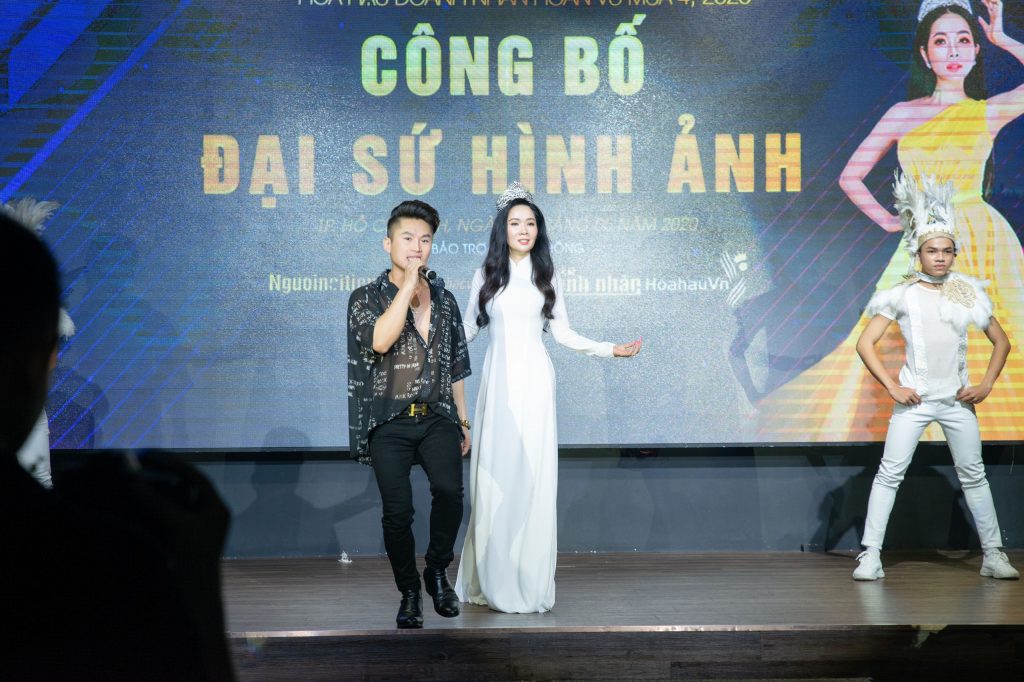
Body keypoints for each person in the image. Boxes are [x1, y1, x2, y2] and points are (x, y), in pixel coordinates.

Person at [757, 0, 1024, 442]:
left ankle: (982, 436)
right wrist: (888, 222)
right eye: (941, 41)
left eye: (963, 40)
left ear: (976, 51)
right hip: (923, 242)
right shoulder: (903, 113)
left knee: (993, 332)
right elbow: (851, 176)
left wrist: (1003, 38)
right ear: (925, 54)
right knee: (899, 338)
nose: (953, 50)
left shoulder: (987, 111)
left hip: (983, 240)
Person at [0, 213, 234, 679]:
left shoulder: (140, 321)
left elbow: (173, 384)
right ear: (34, 362)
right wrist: (199, 588)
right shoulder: (92, 562)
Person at [455, 182, 641, 613]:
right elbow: (467, 330)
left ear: (538, 229)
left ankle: (528, 583)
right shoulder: (486, 275)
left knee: (532, 481)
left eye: (530, 223)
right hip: (497, 386)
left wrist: (609, 349)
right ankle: (493, 579)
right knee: (496, 482)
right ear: (502, 229)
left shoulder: (547, 275)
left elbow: (563, 333)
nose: (524, 230)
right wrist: (431, 336)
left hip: (536, 384)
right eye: (515, 223)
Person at [852, 172, 1017, 581]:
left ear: (954, 253)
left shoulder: (965, 292)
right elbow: (865, 343)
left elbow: (1002, 341)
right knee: (889, 474)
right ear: (919, 253)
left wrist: (985, 384)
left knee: (974, 475)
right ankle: (870, 555)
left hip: (957, 402)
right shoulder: (902, 293)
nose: (940, 257)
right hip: (916, 402)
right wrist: (893, 386)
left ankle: (993, 555)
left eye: (946, 250)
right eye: (932, 251)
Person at [347, 199, 472, 628]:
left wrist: (463, 419)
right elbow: (380, 341)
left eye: (425, 240)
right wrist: (407, 289)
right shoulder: (365, 298)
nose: (417, 247)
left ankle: (436, 571)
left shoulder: (445, 300)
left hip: (437, 415)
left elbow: (456, 366)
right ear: (388, 244)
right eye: (408, 238)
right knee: (397, 513)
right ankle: (409, 592)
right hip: (388, 419)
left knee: (450, 493)